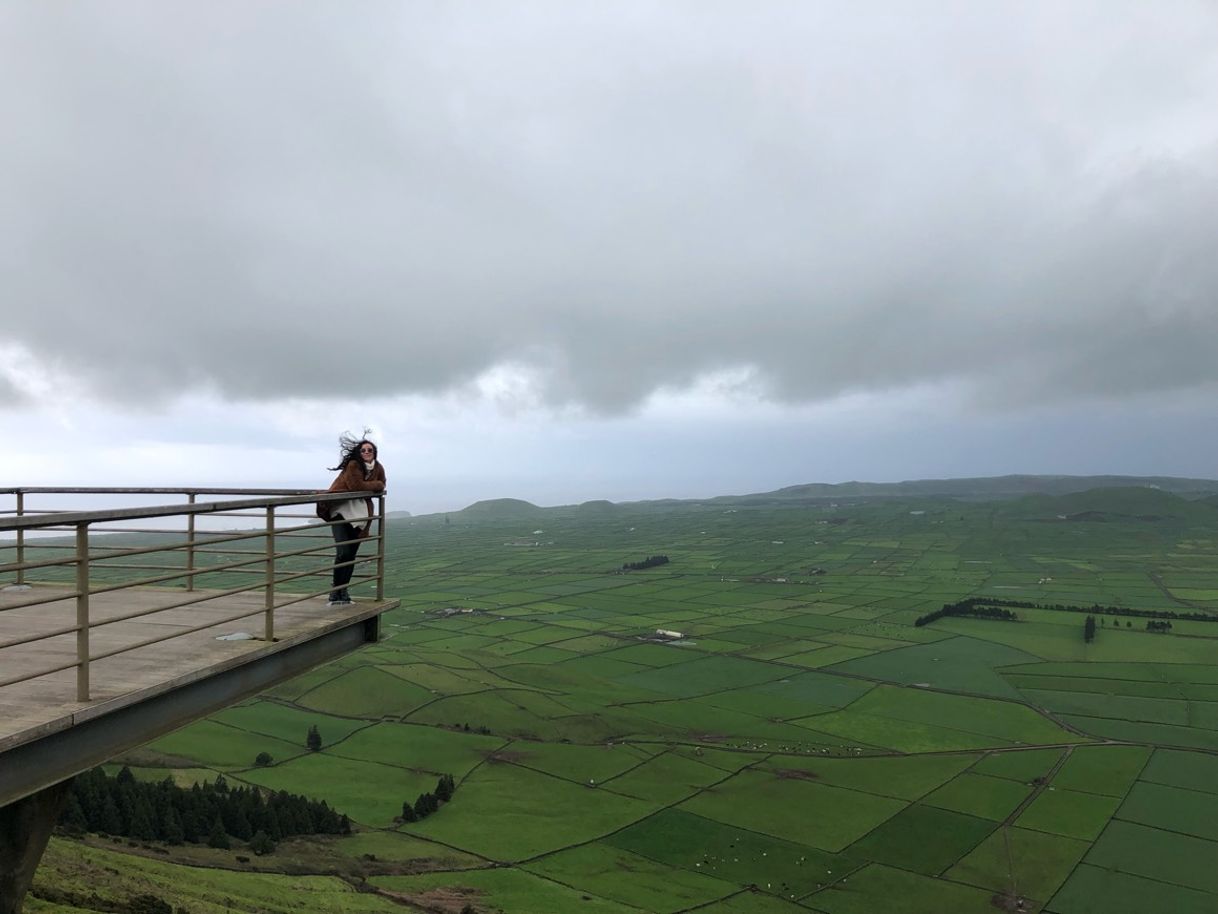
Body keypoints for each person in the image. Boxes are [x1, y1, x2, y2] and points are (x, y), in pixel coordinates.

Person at [318, 433, 386, 605]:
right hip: (340, 511)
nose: (367, 452)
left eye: (370, 450)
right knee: (343, 553)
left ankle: (343, 591)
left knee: (351, 555)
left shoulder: (378, 467)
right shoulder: (353, 465)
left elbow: (383, 483)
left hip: (360, 516)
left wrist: (377, 485)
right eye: (363, 450)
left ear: (374, 452)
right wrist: (375, 485)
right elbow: (357, 486)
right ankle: (335, 591)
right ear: (358, 452)